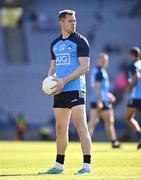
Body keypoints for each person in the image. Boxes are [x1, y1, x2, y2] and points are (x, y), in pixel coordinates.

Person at [39, 10, 92, 175]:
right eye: (70, 21)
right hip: (60, 91)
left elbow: (85, 67)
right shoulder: (54, 43)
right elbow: (53, 68)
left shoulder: (81, 41)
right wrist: (48, 84)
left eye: (74, 20)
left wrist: (64, 81)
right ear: (61, 22)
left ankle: (86, 167)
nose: (73, 23)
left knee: (81, 126)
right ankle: (58, 166)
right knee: (60, 128)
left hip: (75, 88)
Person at [88, 53, 120, 148]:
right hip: (100, 101)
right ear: (98, 60)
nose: (105, 62)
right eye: (103, 60)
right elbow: (97, 87)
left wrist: (108, 95)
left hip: (97, 99)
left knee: (94, 121)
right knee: (108, 121)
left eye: (106, 60)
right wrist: (99, 101)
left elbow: (101, 88)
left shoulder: (97, 71)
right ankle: (114, 142)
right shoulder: (100, 72)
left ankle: (85, 141)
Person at [125, 47, 141, 149]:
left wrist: (130, 86)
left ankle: (140, 135)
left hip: (137, 96)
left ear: (131, 55)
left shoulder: (134, 64)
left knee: (128, 118)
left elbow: (136, 76)